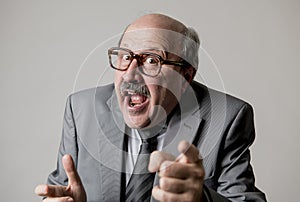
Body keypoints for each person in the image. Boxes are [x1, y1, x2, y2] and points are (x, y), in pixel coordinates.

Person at [35, 13, 267, 202]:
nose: (130, 74)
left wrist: (202, 200)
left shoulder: (228, 118)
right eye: (125, 56)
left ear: (185, 76)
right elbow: (61, 188)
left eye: (152, 60)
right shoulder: (80, 109)